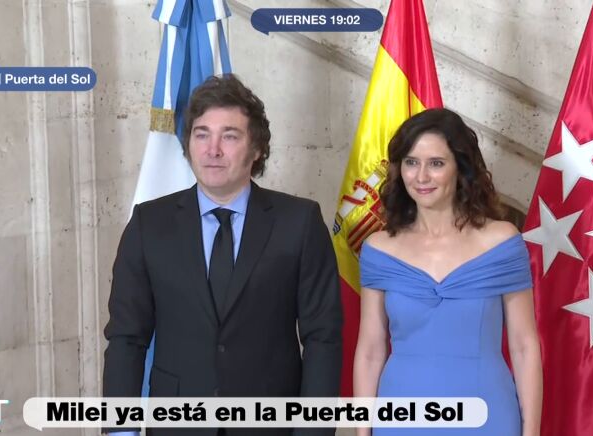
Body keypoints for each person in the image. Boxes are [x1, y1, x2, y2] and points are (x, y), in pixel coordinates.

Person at [103, 74, 343, 436]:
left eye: (229, 136)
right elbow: (126, 338)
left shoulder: (300, 222)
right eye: (202, 135)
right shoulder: (148, 224)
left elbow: (323, 339)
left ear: (257, 148)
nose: (212, 149)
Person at [353, 108, 542, 435]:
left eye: (436, 163)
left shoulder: (501, 242)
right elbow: (370, 351)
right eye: (411, 162)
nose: (421, 176)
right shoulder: (379, 249)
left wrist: (532, 432)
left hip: (488, 415)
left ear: (460, 168)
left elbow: (524, 345)